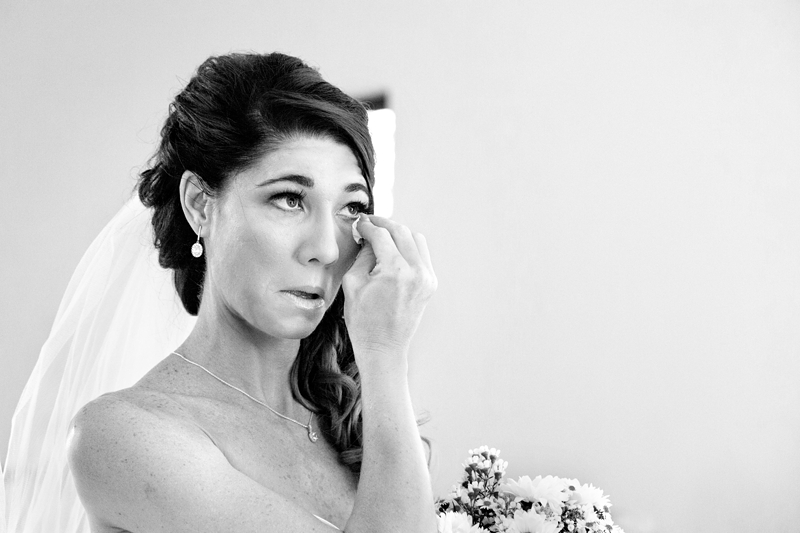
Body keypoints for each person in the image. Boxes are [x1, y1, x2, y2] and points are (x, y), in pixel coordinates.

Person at [6, 52, 438, 533]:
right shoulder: (123, 435)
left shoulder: (352, 417)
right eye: (289, 199)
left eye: (350, 207)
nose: (324, 248)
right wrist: (383, 351)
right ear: (199, 204)